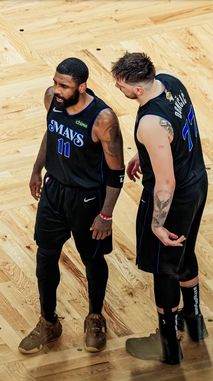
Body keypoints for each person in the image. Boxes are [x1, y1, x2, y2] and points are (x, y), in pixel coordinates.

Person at [18, 57, 125, 354]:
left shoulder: (103, 119)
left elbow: (116, 173)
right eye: (56, 82)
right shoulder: (52, 100)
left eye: (64, 85)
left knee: (92, 260)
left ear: (82, 86)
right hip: (54, 193)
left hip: (88, 199)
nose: (57, 89)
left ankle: (95, 317)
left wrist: (106, 214)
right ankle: (49, 321)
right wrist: (37, 169)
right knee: (45, 257)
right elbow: (51, 133)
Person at [111, 52, 208, 365]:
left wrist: (156, 224)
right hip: (198, 182)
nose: (118, 88)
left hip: (175, 197)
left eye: (120, 84)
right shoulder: (170, 81)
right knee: (185, 251)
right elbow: (176, 132)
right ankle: (195, 324)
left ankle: (167, 346)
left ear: (138, 89)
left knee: (164, 268)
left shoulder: (151, 123)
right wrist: (148, 153)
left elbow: (165, 183)